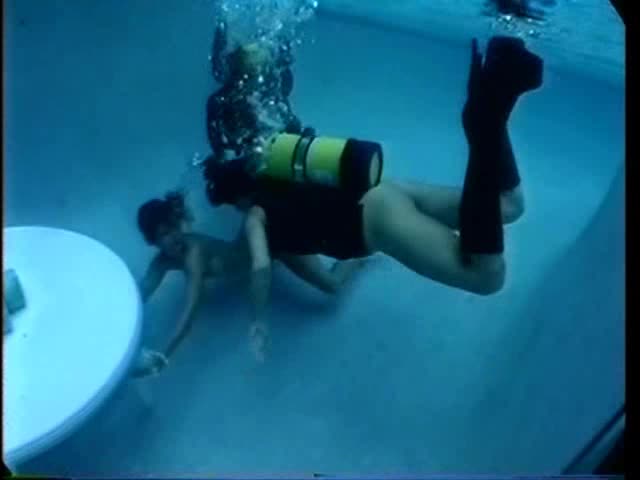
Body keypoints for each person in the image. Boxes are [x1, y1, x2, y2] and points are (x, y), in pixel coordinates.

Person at [202, 36, 545, 318]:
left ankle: (484, 118)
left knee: (486, 278)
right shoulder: (282, 175)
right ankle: (492, 110)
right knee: (510, 205)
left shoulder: (259, 220)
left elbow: (279, 272)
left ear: (238, 197)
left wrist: (256, 319)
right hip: (385, 189)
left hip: (376, 222)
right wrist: (361, 263)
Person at [131, 191, 366, 377]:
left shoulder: (194, 255)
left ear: (176, 223)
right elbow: (140, 292)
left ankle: (361, 250)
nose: (173, 237)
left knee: (333, 285)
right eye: (163, 235)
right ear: (154, 242)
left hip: (272, 241)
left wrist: (164, 354)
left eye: (172, 228)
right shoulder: (162, 262)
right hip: (257, 248)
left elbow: (190, 311)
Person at [206, 21, 313, 166]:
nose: (249, 84)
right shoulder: (223, 102)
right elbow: (221, 151)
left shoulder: (272, 99)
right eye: (245, 76)